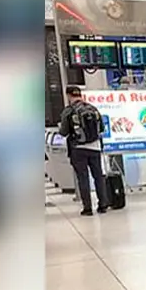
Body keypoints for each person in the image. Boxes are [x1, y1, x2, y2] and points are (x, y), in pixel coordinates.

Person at [59, 86, 110, 216]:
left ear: (69, 95)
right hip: (95, 147)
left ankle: (87, 208)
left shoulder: (69, 111)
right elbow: (102, 128)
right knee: (98, 176)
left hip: (78, 149)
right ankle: (103, 204)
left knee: (83, 178)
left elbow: (64, 132)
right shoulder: (93, 108)